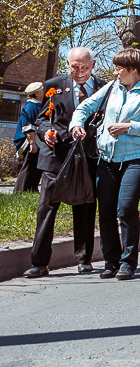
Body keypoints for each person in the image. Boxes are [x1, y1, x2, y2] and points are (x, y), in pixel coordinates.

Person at [69, 48, 140, 280]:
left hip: (136, 159)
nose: (115, 72)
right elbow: (85, 107)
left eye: (119, 68)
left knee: (126, 208)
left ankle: (128, 262)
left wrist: (129, 126)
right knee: (107, 211)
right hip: (107, 159)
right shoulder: (112, 88)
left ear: (132, 70)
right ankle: (111, 261)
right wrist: (76, 124)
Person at [23, 48, 107, 278]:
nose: (79, 72)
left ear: (93, 64)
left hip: (87, 156)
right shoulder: (53, 85)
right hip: (55, 157)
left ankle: (84, 259)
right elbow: (40, 119)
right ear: (67, 64)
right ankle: (39, 263)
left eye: (85, 67)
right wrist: (47, 132)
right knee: (46, 210)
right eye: (74, 67)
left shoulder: (105, 88)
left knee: (85, 208)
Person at [13, 82, 44, 193]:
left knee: (36, 167)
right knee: (29, 166)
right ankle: (21, 191)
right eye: (42, 90)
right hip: (30, 142)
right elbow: (28, 126)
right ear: (36, 93)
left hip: (36, 141)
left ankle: (32, 189)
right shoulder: (31, 106)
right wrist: (32, 143)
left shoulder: (36, 105)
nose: (43, 92)